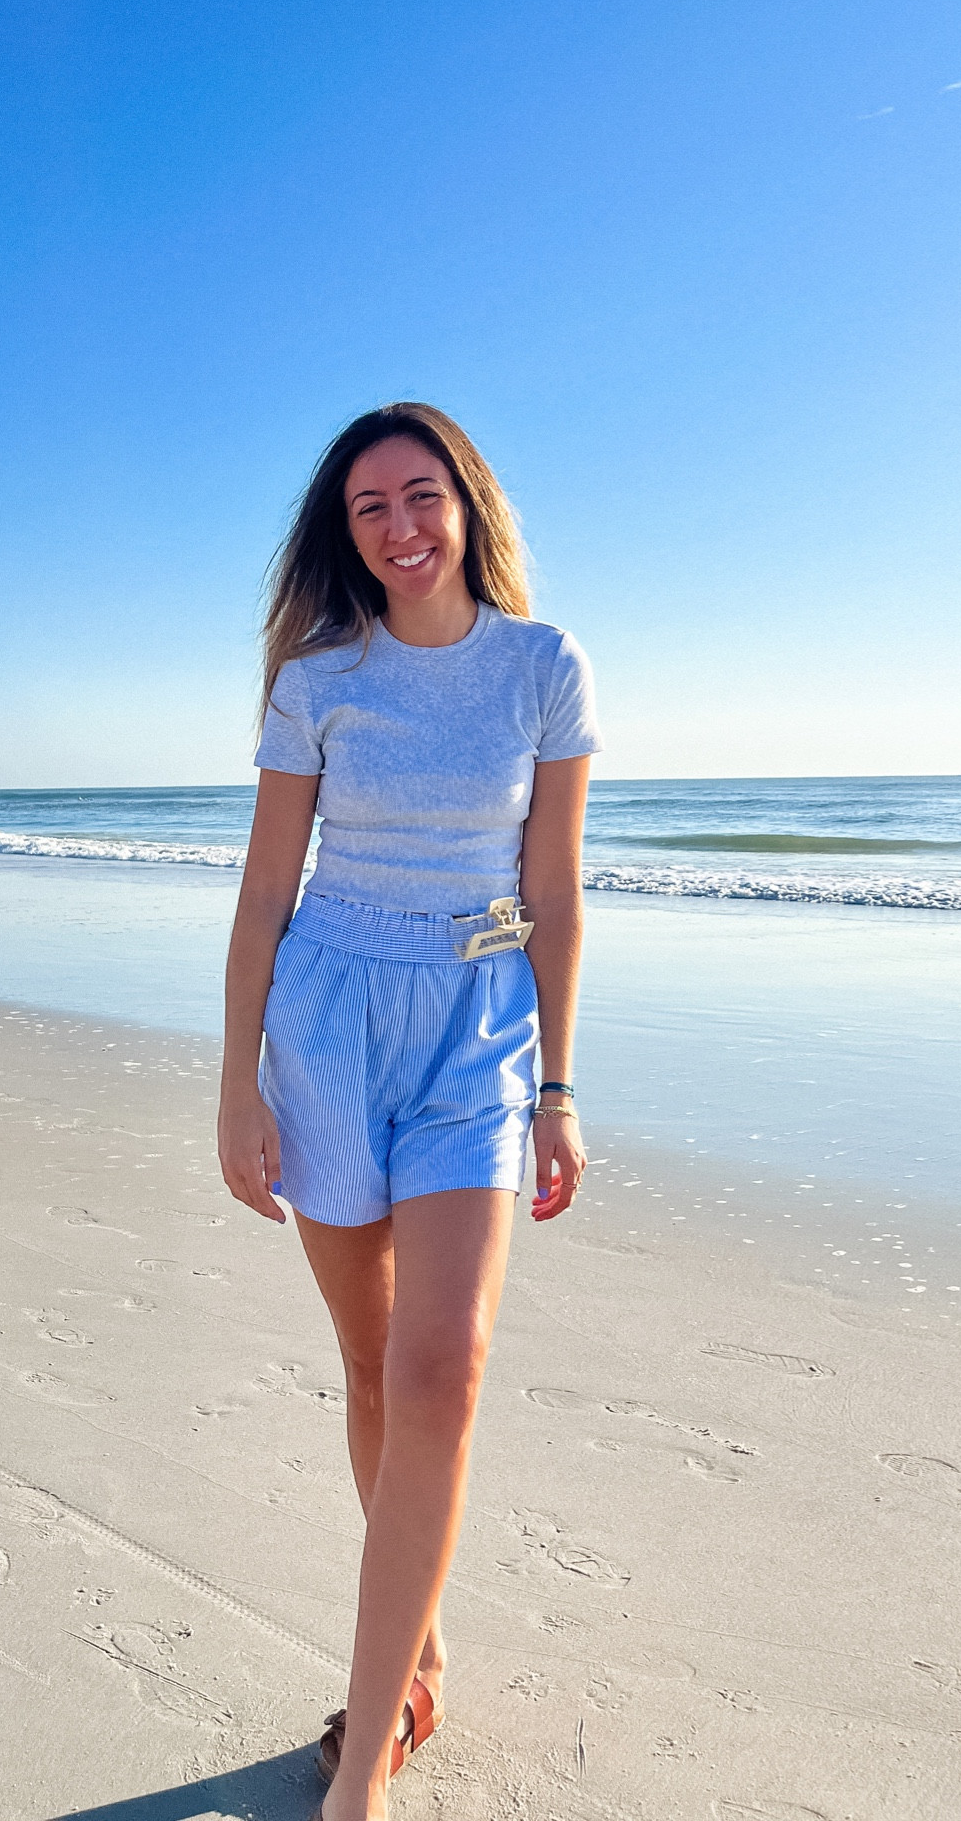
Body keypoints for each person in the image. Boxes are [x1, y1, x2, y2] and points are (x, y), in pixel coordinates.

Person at [217, 402, 600, 1821]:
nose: (400, 525)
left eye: (421, 495)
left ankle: (364, 1763)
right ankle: (420, 1642)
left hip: (479, 1029)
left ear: (467, 504)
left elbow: (554, 889)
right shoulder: (320, 679)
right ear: (348, 532)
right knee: (373, 1368)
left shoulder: (542, 668)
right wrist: (237, 1084)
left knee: (446, 1367)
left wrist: (558, 1085)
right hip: (327, 1023)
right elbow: (264, 896)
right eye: (370, 506)